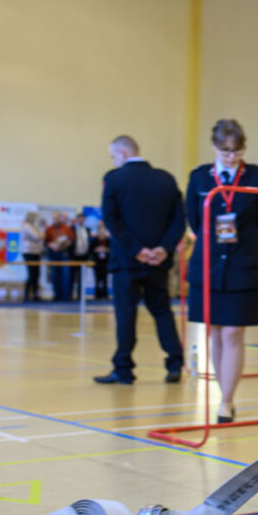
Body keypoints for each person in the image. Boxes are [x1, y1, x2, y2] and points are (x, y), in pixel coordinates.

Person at [186, 119, 258, 422]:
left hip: (244, 265)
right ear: (214, 147)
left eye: (236, 150)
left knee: (233, 333)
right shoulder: (200, 177)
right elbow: (195, 222)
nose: (230, 156)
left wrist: (246, 247)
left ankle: (227, 400)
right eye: (225, 150)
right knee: (214, 332)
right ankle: (220, 392)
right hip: (209, 265)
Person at [95, 135, 185, 385]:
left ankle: (123, 369)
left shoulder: (114, 179)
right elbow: (179, 219)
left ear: (123, 153)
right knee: (162, 311)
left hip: (126, 261)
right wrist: (163, 249)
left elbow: (112, 220)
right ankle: (175, 363)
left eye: (113, 156)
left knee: (126, 314)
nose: (113, 162)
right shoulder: (166, 180)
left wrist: (136, 250)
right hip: (159, 261)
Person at [44, 212, 74, 301]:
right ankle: (57, 295)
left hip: (64, 254)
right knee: (54, 276)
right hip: (53, 255)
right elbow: (46, 242)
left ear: (60, 218)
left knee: (66, 275)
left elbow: (72, 241)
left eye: (57, 218)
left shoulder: (66, 228)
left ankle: (66, 296)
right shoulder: (49, 229)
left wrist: (65, 244)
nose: (55, 219)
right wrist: (51, 245)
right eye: (54, 218)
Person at [20, 211, 43, 302]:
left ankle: (35, 294)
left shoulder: (33, 227)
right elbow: (37, 236)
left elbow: (41, 235)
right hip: (29, 252)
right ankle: (27, 295)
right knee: (32, 274)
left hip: (35, 252)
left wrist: (41, 235)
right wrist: (41, 235)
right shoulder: (26, 226)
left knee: (36, 274)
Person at [71, 213, 91, 301]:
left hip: (84, 256)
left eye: (83, 218)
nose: (81, 220)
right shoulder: (72, 229)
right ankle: (70, 295)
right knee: (72, 276)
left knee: (82, 277)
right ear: (76, 219)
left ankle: (80, 296)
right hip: (74, 256)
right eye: (79, 218)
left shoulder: (87, 229)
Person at [91, 222, 110, 299]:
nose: (102, 231)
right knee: (97, 279)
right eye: (100, 230)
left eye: (103, 230)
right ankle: (97, 294)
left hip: (105, 262)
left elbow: (112, 250)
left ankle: (105, 294)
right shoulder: (94, 241)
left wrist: (106, 249)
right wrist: (96, 250)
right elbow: (91, 250)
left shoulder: (108, 240)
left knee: (105, 279)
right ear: (98, 231)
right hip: (97, 262)